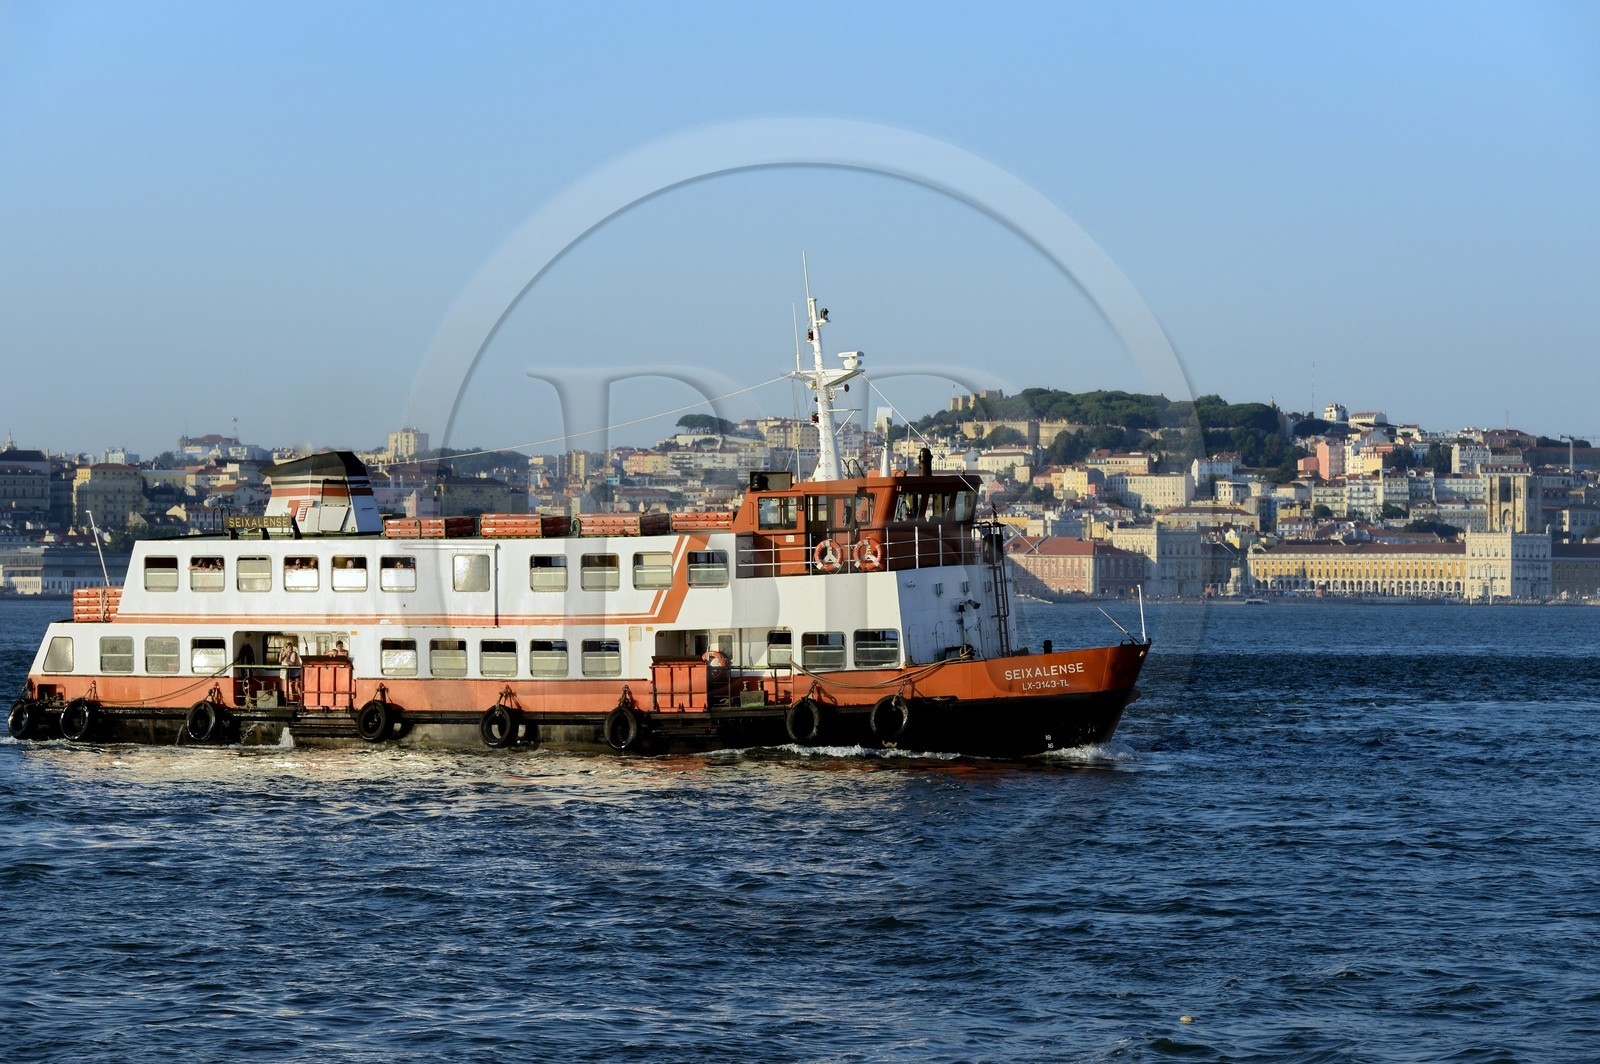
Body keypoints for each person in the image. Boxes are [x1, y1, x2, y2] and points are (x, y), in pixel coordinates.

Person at [280, 638, 302, 702]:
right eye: (289, 647)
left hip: (297, 672)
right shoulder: (287, 654)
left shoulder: (294, 653)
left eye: (291, 647)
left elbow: (293, 663)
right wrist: (281, 654)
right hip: (291, 672)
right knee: (292, 685)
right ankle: (295, 699)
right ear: (287, 648)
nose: (291, 648)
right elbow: (280, 660)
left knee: (297, 685)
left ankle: (301, 699)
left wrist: (286, 660)